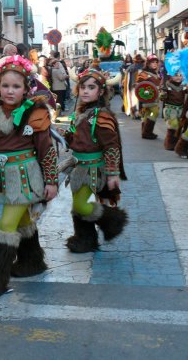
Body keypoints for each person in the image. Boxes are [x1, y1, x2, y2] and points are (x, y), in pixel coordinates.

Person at [0, 55, 59, 295]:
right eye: (5, 85)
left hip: (25, 175)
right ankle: (32, 261)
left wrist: (51, 181)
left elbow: (47, 150)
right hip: (2, 174)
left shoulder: (36, 113)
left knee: (7, 223)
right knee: (21, 221)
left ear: (26, 89)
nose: (10, 91)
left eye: (16, 86)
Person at [63, 68, 128, 253]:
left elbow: (112, 146)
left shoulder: (102, 115)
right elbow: (75, 139)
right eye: (82, 86)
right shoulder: (81, 112)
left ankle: (113, 220)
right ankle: (85, 239)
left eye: (91, 87)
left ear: (100, 91)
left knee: (81, 205)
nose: (85, 91)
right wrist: (64, 134)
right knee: (77, 206)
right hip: (78, 167)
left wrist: (113, 173)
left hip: (93, 169)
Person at [161, 72, 188, 151]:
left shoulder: (183, 86)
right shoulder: (167, 85)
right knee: (173, 125)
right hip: (170, 109)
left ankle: (176, 143)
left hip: (180, 109)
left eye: (180, 75)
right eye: (176, 75)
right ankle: (169, 144)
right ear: (171, 76)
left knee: (179, 126)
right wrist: (163, 94)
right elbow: (162, 98)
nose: (178, 77)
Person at [136, 54, 161, 139]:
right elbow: (139, 86)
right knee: (155, 112)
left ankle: (144, 132)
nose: (155, 64)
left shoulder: (157, 73)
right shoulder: (143, 73)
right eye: (152, 62)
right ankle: (147, 132)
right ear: (148, 63)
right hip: (147, 98)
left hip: (155, 97)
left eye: (156, 62)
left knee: (147, 114)